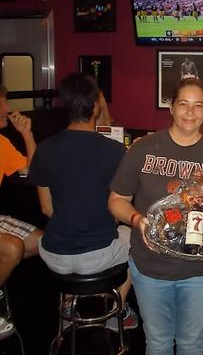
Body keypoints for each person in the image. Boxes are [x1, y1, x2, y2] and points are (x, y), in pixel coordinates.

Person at [108, 78, 203, 355]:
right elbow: (116, 200)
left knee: (192, 343)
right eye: (183, 104)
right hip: (150, 268)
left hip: (199, 270)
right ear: (171, 107)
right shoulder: (143, 149)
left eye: (198, 106)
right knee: (157, 342)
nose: (190, 112)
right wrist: (137, 219)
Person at [28, 72, 137, 331]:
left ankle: (68, 307)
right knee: (135, 240)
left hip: (54, 255)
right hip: (98, 256)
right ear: (96, 105)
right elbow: (121, 209)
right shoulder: (114, 151)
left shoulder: (44, 148)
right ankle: (116, 312)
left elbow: (46, 208)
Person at [0, 85, 42, 340]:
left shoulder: (2, 142)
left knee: (45, 244)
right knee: (12, 248)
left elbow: (35, 171)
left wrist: (27, 134)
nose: (8, 108)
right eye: (1, 103)